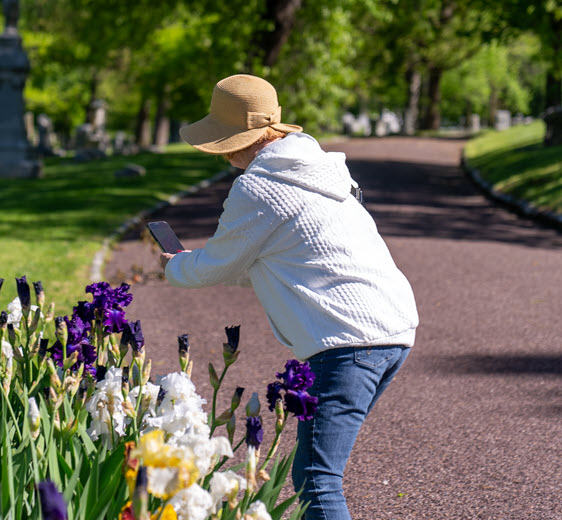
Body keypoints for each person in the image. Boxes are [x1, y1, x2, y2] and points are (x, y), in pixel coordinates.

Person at [159, 74, 419, 520]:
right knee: (319, 471)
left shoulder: (260, 187)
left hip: (348, 342)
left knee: (316, 479)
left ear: (239, 138)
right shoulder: (319, 169)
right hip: (391, 331)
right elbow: (276, 263)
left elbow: (215, 265)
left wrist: (172, 264)